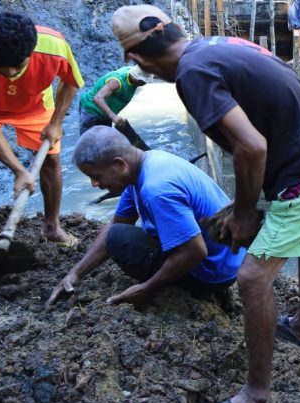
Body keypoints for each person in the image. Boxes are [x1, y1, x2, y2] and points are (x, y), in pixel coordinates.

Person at [110, 4, 300, 403]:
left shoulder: (192, 74)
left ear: (138, 61)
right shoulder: (212, 46)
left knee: (252, 278)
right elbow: (271, 114)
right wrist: (254, 200)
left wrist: (245, 213)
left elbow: (253, 147)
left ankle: (256, 398)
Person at [47, 127, 246, 307]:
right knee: (117, 233)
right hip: (231, 261)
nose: (94, 184)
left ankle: (189, 291)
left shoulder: (156, 189)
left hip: (213, 273)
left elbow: (195, 251)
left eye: (97, 177)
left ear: (119, 164)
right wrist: (75, 273)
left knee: (120, 240)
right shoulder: (146, 163)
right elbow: (118, 222)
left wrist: (145, 288)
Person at [0, 11, 84, 248]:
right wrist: (18, 170)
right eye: (1, 67)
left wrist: (56, 123)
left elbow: (70, 81)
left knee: (51, 161)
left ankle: (52, 227)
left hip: (34, 104)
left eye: (18, 65)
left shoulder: (54, 45)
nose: (10, 74)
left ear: (30, 52)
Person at [77, 65, 149, 141]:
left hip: (106, 114)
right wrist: (113, 116)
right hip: (91, 110)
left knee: (105, 142)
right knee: (88, 143)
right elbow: (98, 98)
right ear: (135, 77)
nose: (144, 83)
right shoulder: (116, 81)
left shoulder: (134, 72)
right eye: (142, 81)